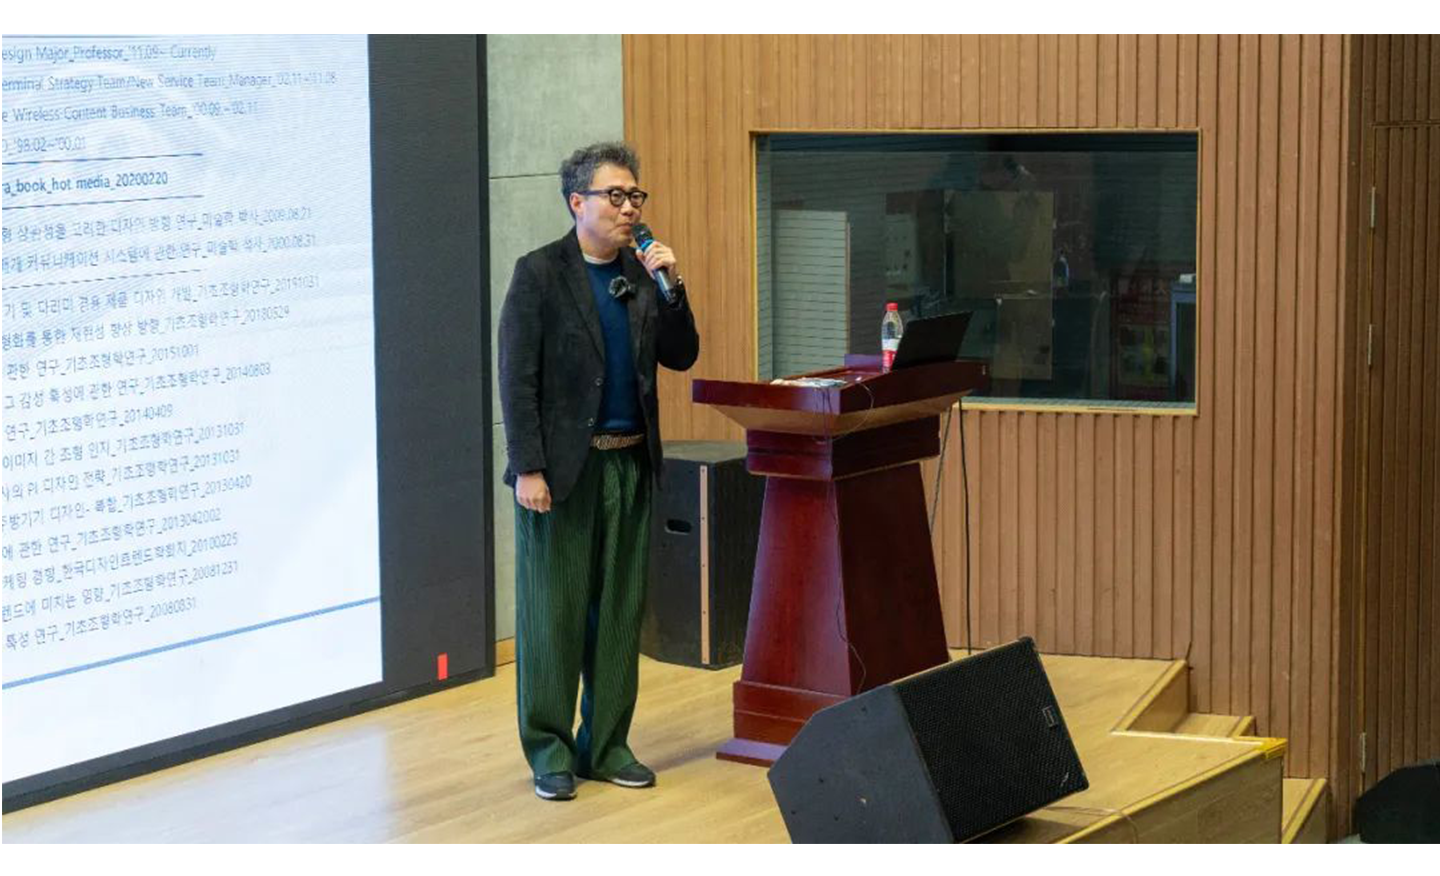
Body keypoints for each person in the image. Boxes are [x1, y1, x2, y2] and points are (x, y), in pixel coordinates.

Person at [497, 141, 699, 801]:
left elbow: (682, 355)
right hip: (560, 474)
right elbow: (516, 378)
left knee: (617, 615)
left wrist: (674, 287)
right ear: (576, 201)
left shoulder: (643, 275)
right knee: (552, 615)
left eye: (635, 196)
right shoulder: (540, 273)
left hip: (629, 463)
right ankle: (550, 751)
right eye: (615, 195)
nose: (628, 208)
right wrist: (528, 467)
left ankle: (606, 746)